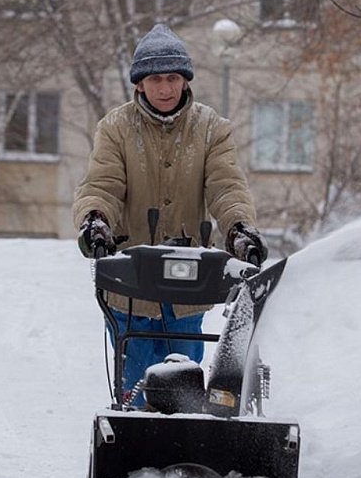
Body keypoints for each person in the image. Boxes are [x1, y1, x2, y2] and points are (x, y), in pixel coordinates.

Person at [72, 24, 267, 407]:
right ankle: (136, 446)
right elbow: (103, 184)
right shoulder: (116, 128)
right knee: (137, 387)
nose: (165, 88)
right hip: (130, 283)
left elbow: (226, 187)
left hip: (187, 283)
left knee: (183, 385)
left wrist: (239, 228)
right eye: (156, 79)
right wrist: (96, 220)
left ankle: (180, 450)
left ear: (185, 81)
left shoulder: (212, 129)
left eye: (173, 78)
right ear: (140, 85)